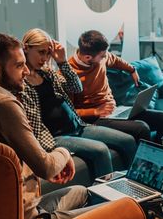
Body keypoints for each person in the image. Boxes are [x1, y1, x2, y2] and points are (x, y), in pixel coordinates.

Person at [0, 33, 94, 219]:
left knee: (81, 191)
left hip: (8, 215)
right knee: (117, 210)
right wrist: (65, 153)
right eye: (20, 65)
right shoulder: (4, 105)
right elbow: (47, 167)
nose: (27, 71)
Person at [18, 28, 137, 178]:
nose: (45, 58)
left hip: (78, 126)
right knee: (101, 150)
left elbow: (76, 87)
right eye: (41, 52)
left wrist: (62, 62)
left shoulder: (47, 73)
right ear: (26, 49)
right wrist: (51, 150)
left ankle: (135, 184)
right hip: (57, 136)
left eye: (48, 53)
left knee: (128, 140)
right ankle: (105, 191)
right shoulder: (21, 84)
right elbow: (36, 128)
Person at [68, 29, 163, 142]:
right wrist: (95, 111)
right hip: (96, 119)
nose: (105, 57)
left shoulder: (100, 57)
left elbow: (115, 60)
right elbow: (69, 112)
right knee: (142, 128)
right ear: (87, 57)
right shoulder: (68, 74)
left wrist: (132, 69)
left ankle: (160, 153)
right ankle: (147, 154)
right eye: (102, 56)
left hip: (115, 111)